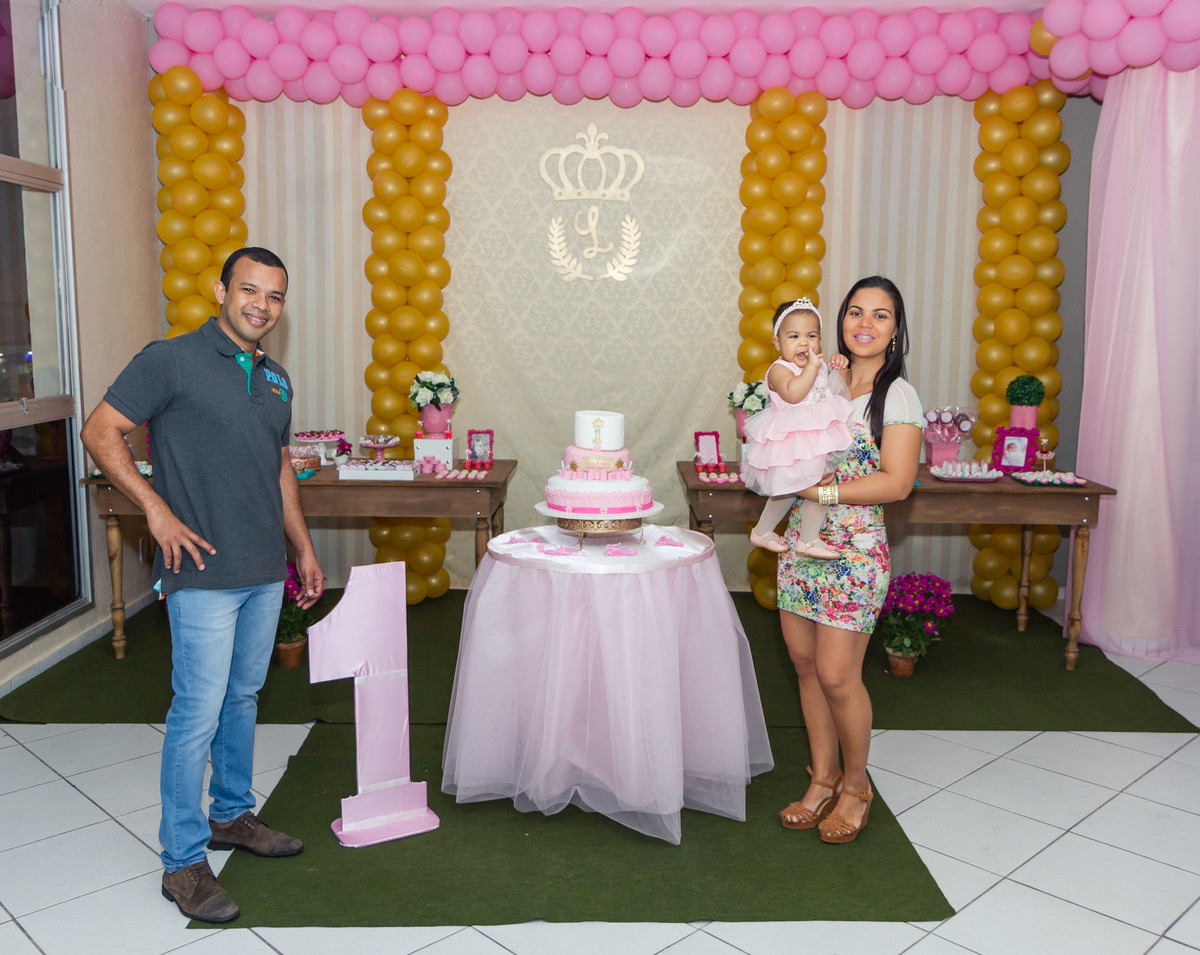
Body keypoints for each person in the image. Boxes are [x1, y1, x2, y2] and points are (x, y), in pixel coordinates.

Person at [80, 247, 325, 922]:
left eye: (274, 296)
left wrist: (301, 548)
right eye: (249, 289)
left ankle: (232, 816)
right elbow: (100, 431)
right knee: (198, 709)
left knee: (243, 696)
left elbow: (279, 471)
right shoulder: (171, 359)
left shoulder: (275, 379)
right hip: (201, 572)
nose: (261, 305)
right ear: (221, 289)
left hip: (261, 571)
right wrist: (154, 508)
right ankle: (183, 861)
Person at [774, 276, 922, 844]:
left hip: (855, 550)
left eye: (880, 315)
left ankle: (856, 787)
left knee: (838, 675)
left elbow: (899, 483)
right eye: (855, 312)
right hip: (801, 543)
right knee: (806, 667)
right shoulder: (823, 382)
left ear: (895, 330)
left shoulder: (896, 396)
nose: (865, 323)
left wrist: (823, 493)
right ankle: (823, 777)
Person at [741, 298, 853, 558]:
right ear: (778, 343)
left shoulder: (818, 366)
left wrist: (840, 371)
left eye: (811, 335)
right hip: (791, 442)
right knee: (793, 488)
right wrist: (813, 367)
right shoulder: (779, 369)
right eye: (794, 336)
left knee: (817, 487)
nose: (804, 343)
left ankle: (781, 533)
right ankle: (802, 538)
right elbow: (793, 394)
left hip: (814, 441)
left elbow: (836, 394)